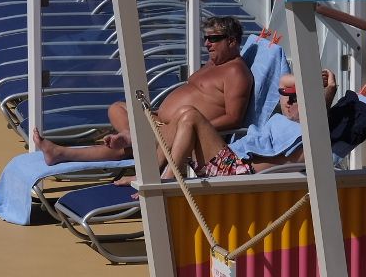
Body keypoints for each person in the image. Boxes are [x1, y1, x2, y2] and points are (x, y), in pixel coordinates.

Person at [35, 15, 252, 166]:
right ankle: (132, 136)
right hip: (162, 122)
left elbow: (234, 118)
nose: (207, 44)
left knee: (128, 147)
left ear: (232, 41)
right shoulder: (213, 64)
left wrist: (191, 127)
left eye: (213, 39)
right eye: (205, 38)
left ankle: (62, 153)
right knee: (117, 108)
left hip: (181, 129)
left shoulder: (235, 72)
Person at [162, 70, 366, 178]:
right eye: (286, 96)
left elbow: (315, 121)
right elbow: (285, 79)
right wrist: (312, 78)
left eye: (296, 98)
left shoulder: (309, 139)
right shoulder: (284, 121)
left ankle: (166, 181)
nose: (288, 101)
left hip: (236, 172)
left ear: (310, 105)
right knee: (183, 115)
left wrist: (329, 90)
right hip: (227, 162)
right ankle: (154, 174)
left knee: (189, 115)